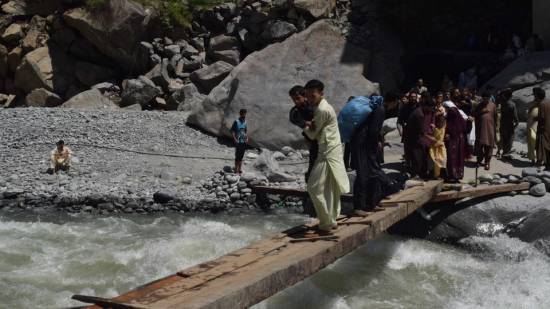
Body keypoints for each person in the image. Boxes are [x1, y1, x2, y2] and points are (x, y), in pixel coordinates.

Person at [303, 80, 350, 235]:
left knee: (313, 188)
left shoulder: (322, 110)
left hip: (327, 152)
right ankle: (332, 219)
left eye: (313, 95)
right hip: (333, 149)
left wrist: (304, 125)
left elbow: (311, 133)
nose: (310, 98)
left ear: (321, 93)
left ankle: (326, 223)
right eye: (308, 96)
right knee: (330, 188)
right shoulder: (324, 107)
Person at [350, 94, 398, 213]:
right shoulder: (380, 110)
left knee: (370, 173)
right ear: (394, 102)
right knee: (364, 173)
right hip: (363, 145)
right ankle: (358, 207)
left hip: (362, 143)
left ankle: (371, 203)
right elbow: (373, 131)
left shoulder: (375, 109)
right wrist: (376, 144)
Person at [288, 85, 317, 217]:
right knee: (313, 163)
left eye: (298, 98)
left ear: (304, 95)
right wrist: (308, 123)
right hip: (311, 138)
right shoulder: (295, 112)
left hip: (322, 137)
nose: (296, 101)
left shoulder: (315, 105)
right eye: (294, 99)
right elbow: (302, 123)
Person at [405, 93, 435, 179]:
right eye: (430, 108)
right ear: (426, 106)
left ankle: (422, 174)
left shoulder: (422, 111)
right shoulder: (419, 114)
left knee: (422, 157)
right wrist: (432, 139)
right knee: (417, 158)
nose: (431, 110)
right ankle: (416, 176)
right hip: (413, 138)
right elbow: (422, 131)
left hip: (417, 138)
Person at [443, 101, 467, 182]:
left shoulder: (453, 120)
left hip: (455, 142)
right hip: (457, 141)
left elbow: (465, 129)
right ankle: (455, 175)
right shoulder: (456, 120)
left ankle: (454, 175)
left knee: (453, 158)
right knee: (454, 158)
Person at [473, 92, 497, 170]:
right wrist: (482, 112)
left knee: (489, 147)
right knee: (480, 146)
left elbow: (496, 117)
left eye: (487, 98)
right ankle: (479, 161)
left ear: (489, 98)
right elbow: (474, 115)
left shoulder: (493, 105)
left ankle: (487, 162)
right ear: (482, 98)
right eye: (484, 98)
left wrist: (495, 128)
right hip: (480, 129)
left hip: (490, 129)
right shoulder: (479, 106)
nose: (485, 99)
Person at [499, 89, 519, 157]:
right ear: (511, 96)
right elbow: (515, 115)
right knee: (510, 138)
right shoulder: (512, 104)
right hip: (510, 123)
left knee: (504, 137)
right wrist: (516, 123)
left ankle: (504, 151)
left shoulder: (502, 103)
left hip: (503, 122)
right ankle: (507, 152)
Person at [428, 112, 447, 179]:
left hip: (441, 147)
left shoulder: (444, 127)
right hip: (434, 147)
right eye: (439, 121)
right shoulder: (433, 127)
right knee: (434, 161)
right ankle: (434, 174)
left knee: (442, 160)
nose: (441, 123)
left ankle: (441, 174)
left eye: (443, 121)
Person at [231, 109, 248, 174]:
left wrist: (247, 138)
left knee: (241, 155)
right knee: (237, 156)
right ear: (240, 114)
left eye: (245, 114)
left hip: (243, 141)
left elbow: (245, 131)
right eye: (243, 114)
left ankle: (240, 169)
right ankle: (235, 169)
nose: (244, 115)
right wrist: (234, 139)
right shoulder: (236, 122)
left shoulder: (245, 122)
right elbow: (232, 131)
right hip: (238, 141)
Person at [527, 89, 542, 164]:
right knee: (531, 141)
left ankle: (539, 159)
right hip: (531, 123)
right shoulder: (533, 102)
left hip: (537, 124)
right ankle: (532, 159)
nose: (534, 95)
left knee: (537, 141)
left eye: (535, 94)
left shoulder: (542, 102)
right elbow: (529, 110)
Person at [537, 88, 550, 169]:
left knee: (545, 146)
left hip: (544, 128)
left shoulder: (542, 104)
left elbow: (542, 117)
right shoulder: (549, 101)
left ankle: (547, 164)